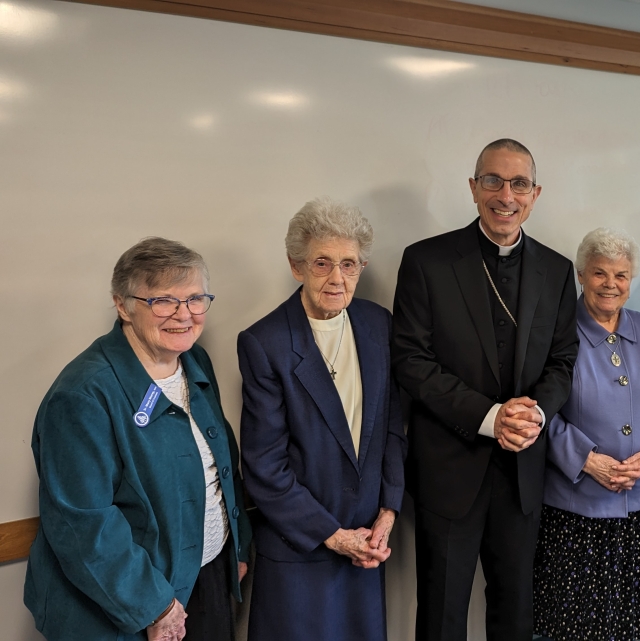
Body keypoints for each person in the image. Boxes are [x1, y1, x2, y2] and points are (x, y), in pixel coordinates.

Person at [392, 138, 579, 641]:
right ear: (474, 188)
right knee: (442, 608)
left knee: (516, 609)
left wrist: (535, 414)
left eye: (519, 183)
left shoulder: (558, 270)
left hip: (522, 470)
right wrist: (490, 417)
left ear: (535, 194)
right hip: (450, 466)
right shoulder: (426, 261)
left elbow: (563, 360)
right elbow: (410, 360)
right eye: (493, 181)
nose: (506, 195)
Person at [24, 237, 251, 641]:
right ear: (122, 305)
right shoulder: (82, 395)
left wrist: (236, 548)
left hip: (204, 578)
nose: (184, 315)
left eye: (196, 298)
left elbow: (219, 465)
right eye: (163, 300)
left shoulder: (193, 361)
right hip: (130, 606)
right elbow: (84, 525)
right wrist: (155, 607)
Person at [238, 198, 407, 641]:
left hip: (368, 544)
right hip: (302, 546)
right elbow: (263, 467)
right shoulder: (265, 342)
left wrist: (388, 509)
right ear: (296, 267)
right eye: (322, 263)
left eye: (349, 264)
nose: (337, 278)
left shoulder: (379, 325)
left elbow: (392, 427)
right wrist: (333, 535)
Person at [533, 228, 640, 641]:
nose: (610, 284)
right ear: (581, 275)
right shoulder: (554, 332)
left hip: (634, 500)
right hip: (574, 504)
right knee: (572, 621)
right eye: (600, 273)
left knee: (625, 618)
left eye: (621, 275)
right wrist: (586, 459)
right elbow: (539, 412)